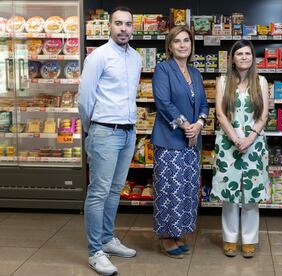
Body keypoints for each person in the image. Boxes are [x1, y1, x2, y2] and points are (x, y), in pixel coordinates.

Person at [78, 6, 142, 276]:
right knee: (98, 192)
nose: (124, 28)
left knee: (115, 190)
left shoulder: (137, 58)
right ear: (109, 26)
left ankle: (107, 238)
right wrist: (90, 130)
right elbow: (85, 99)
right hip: (104, 131)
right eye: (119, 23)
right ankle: (95, 252)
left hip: (128, 132)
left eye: (128, 24)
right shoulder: (98, 57)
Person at [151, 25, 209, 259]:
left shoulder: (195, 73)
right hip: (169, 140)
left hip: (192, 142)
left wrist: (199, 125)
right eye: (177, 41)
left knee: (186, 190)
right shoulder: (163, 69)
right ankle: (166, 236)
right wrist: (186, 125)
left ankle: (178, 233)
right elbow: (163, 102)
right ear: (170, 46)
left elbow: (204, 103)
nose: (183, 45)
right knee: (168, 190)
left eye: (187, 40)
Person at [211, 40, 271, 258]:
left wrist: (250, 137)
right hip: (228, 143)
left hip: (254, 145)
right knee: (229, 195)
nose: (244, 57)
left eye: (248, 54)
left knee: (251, 196)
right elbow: (220, 114)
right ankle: (229, 239)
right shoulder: (223, 81)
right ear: (232, 59)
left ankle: (249, 240)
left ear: (253, 58)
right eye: (239, 54)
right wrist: (236, 139)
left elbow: (263, 114)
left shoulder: (261, 81)